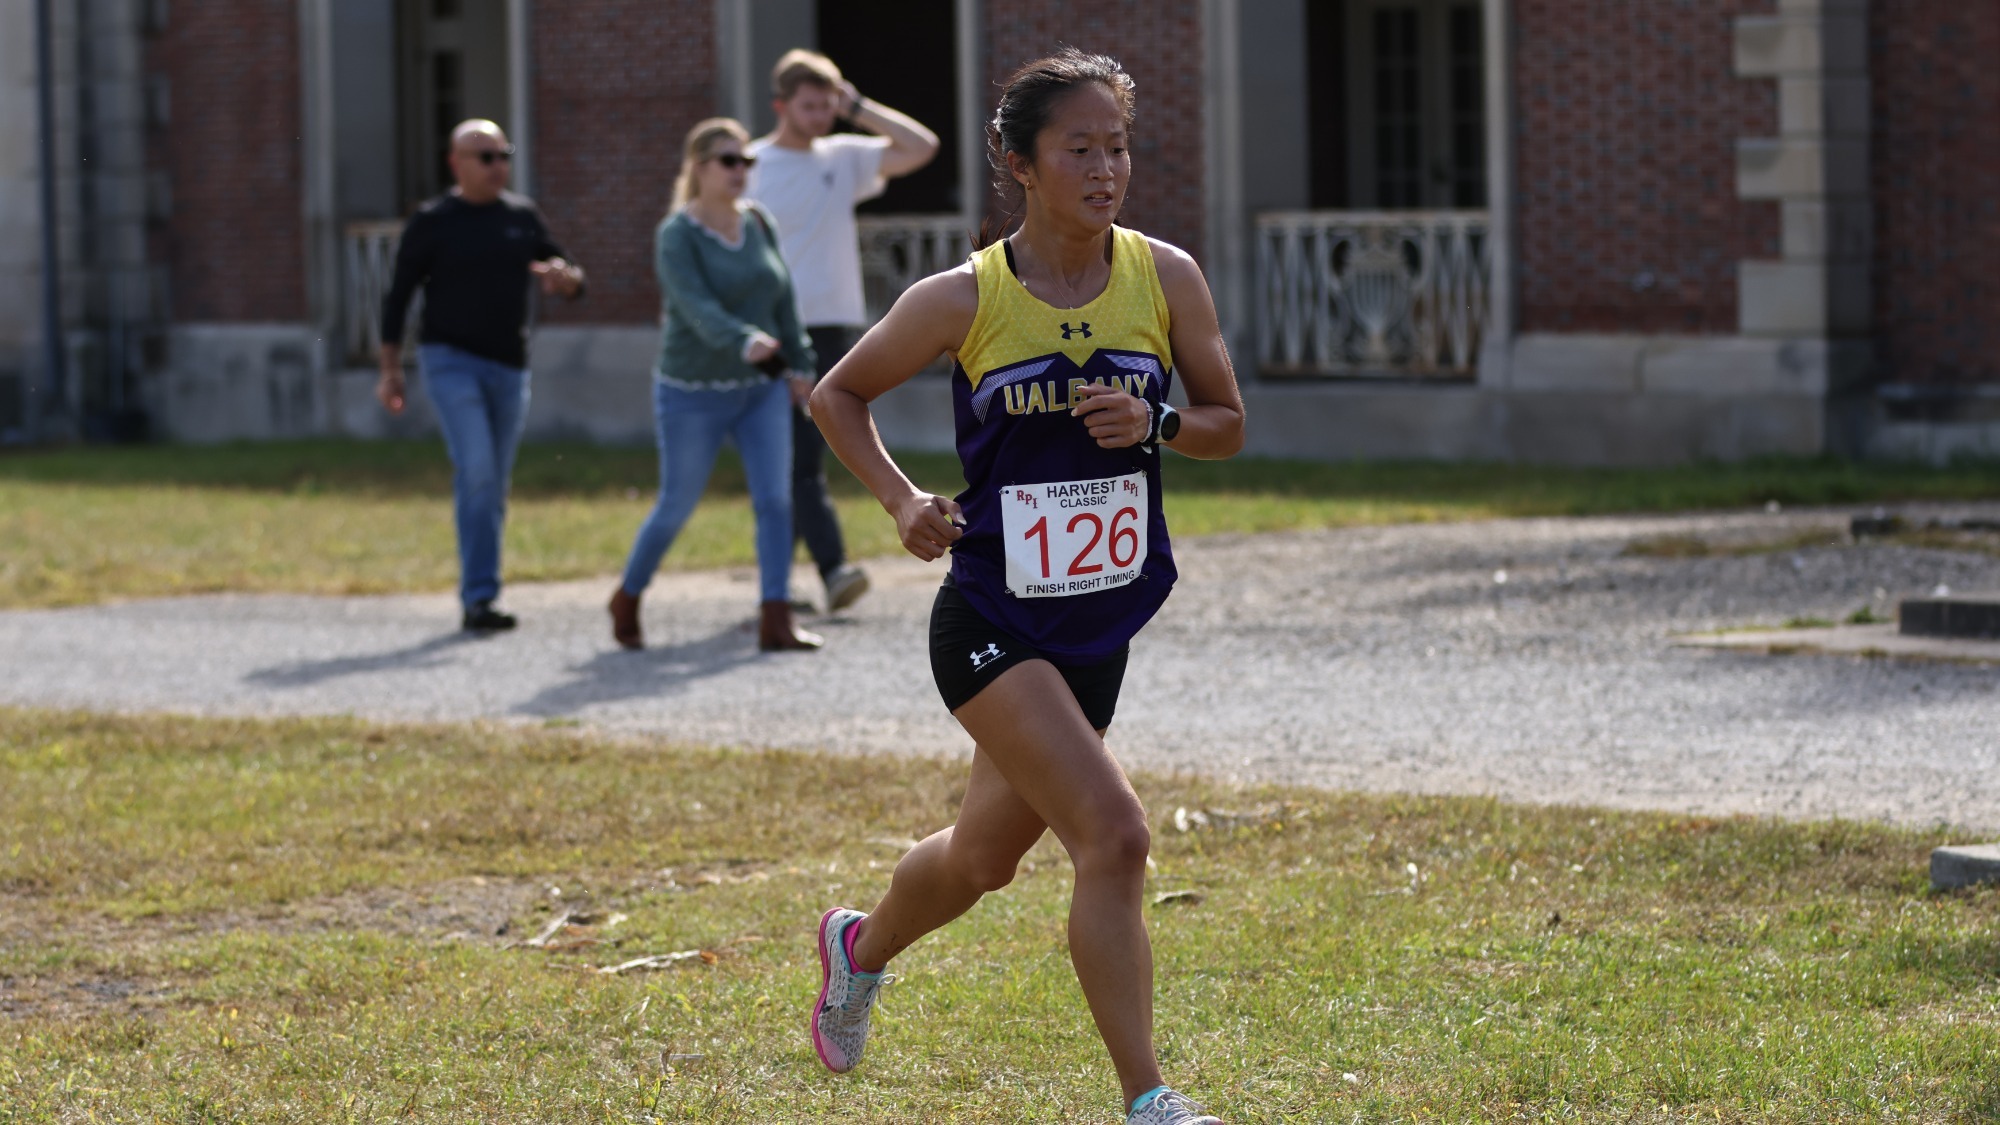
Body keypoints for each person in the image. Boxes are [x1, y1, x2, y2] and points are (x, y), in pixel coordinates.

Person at [808, 49, 1246, 1125]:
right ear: (1018, 161)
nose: (1106, 171)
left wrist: (1158, 425)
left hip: (1100, 621)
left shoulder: (1165, 277)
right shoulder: (964, 297)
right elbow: (837, 395)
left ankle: (855, 947)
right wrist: (905, 502)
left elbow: (1227, 427)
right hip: (991, 617)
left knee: (981, 859)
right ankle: (1149, 1099)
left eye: (1119, 148)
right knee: (1116, 834)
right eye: (1079, 149)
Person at [606, 118, 823, 653]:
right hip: (691, 392)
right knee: (677, 503)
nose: (740, 171)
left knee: (775, 500)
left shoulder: (759, 222)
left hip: (761, 391)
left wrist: (801, 362)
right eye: (729, 161)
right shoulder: (676, 235)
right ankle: (628, 595)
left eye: (746, 161)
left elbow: (783, 300)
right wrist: (743, 338)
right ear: (698, 167)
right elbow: (695, 307)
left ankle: (776, 617)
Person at [745, 50, 940, 613]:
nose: (821, 116)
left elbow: (921, 147)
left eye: (829, 105)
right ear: (781, 106)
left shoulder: (843, 156)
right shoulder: (749, 165)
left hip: (833, 325)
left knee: (804, 453)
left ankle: (781, 586)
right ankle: (826, 573)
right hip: (774, 330)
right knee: (796, 457)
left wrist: (859, 106)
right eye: (809, 106)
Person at [377, 119, 585, 633]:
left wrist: (566, 280)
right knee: (477, 471)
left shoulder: (520, 216)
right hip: (449, 361)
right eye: (484, 156)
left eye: (502, 155)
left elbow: (569, 275)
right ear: (455, 163)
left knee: (492, 485)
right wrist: (390, 371)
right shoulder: (432, 221)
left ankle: (484, 595)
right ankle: (479, 596)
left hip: (509, 366)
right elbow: (398, 297)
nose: (497, 166)